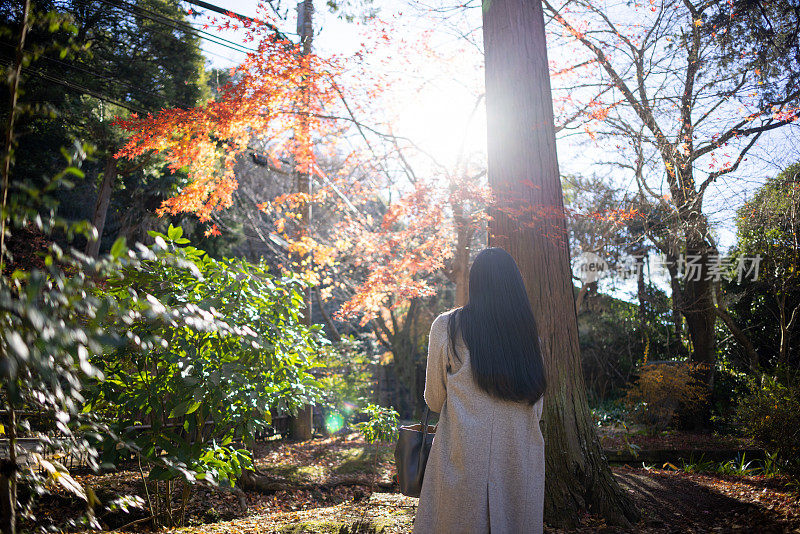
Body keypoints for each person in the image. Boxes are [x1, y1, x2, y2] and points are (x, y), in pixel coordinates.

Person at [413, 247, 547, 534]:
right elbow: (537, 410)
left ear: (475, 284)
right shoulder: (528, 339)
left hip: (463, 459)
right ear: (515, 287)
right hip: (517, 463)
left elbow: (435, 400)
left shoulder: (448, 327)